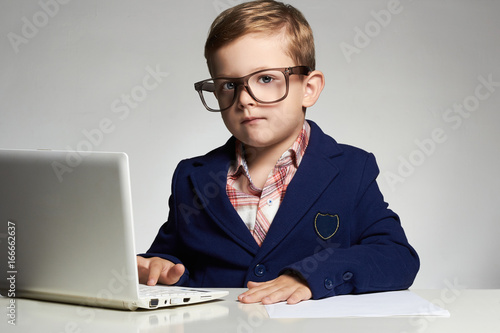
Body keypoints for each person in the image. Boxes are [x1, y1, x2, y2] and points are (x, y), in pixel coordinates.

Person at [137, 0, 419, 305]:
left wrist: (310, 275)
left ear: (309, 88)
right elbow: (171, 254)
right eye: (229, 84)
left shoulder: (352, 169)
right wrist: (157, 264)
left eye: (266, 79)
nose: (245, 99)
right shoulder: (191, 177)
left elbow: (397, 257)